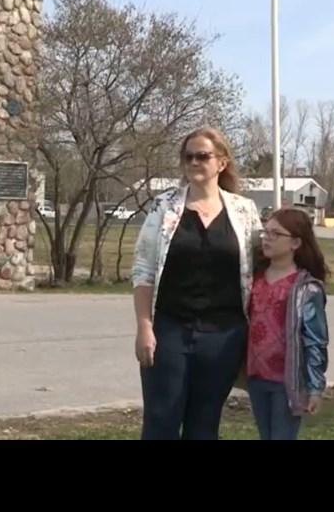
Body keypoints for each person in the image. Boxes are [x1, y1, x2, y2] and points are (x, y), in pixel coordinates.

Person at [130, 127, 263, 440]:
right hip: (170, 331)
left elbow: (262, 265)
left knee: (204, 427)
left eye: (202, 156)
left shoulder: (244, 211)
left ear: (222, 163)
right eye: (187, 156)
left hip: (224, 337)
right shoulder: (164, 207)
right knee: (160, 423)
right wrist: (144, 327)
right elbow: (143, 270)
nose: (193, 162)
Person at [246, 208, 330, 440]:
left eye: (275, 234)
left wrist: (314, 388)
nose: (266, 238)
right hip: (256, 378)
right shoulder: (253, 278)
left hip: (286, 382)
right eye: (265, 232)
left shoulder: (306, 288)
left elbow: (315, 340)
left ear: (295, 243)